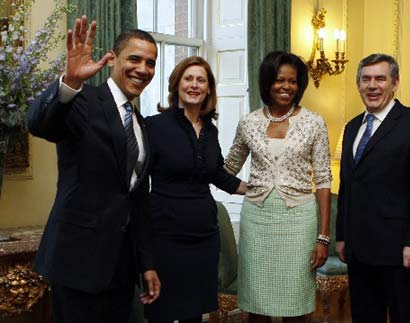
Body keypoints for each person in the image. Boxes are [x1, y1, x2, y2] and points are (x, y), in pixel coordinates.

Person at [27, 15, 161, 322]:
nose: (143, 69)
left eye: (150, 63)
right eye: (135, 59)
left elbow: (137, 201)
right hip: (78, 261)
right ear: (112, 59)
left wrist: (147, 263)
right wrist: (70, 82)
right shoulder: (82, 100)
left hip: (121, 267)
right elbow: (39, 124)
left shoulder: (141, 125)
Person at [224, 51, 332, 323]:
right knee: (257, 303)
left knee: (296, 302)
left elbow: (323, 181)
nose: (286, 87)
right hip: (258, 220)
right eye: (279, 80)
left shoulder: (314, 122)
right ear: (267, 83)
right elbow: (228, 168)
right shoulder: (249, 122)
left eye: (292, 81)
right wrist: (247, 187)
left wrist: (323, 237)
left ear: (299, 85)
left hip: (299, 221)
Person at [140, 56, 247, 323]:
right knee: (162, 312)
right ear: (176, 85)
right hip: (165, 236)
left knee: (194, 314)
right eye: (188, 79)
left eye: (201, 80)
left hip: (204, 237)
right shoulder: (154, 126)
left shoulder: (210, 131)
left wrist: (255, 188)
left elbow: (217, 174)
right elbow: (137, 181)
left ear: (209, 88)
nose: (194, 85)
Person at [335, 53, 410, 323]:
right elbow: (347, 186)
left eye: (380, 78)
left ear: (395, 83)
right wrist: (342, 235)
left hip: (398, 251)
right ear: (358, 84)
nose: (372, 85)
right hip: (358, 250)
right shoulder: (352, 127)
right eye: (366, 79)